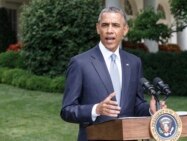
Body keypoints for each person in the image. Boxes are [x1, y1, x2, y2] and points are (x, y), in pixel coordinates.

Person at [60, 6, 166, 141]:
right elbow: (67, 110)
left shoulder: (134, 63)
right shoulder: (80, 63)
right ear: (98, 28)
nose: (110, 30)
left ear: (125, 30)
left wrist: (151, 110)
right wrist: (96, 109)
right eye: (105, 25)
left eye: (115, 25)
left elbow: (136, 105)